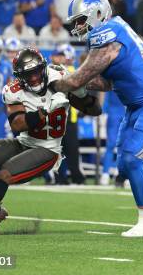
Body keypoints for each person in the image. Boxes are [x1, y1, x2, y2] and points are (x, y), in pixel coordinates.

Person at [51, 0, 143, 237]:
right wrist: (69, 77)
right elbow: (104, 83)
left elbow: (79, 81)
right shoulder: (110, 32)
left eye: (81, 20)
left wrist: (58, 81)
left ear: (97, 14)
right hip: (137, 104)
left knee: (131, 159)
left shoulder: (107, 33)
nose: (78, 27)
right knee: (125, 166)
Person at [0, 48, 101, 235]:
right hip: (25, 141)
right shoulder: (14, 89)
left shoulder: (60, 77)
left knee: (5, 173)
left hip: (48, 149)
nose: (34, 78)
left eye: (36, 72)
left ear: (43, 68)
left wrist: (83, 95)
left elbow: (95, 111)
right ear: (20, 76)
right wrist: (45, 111)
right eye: (28, 74)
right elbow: (18, 125)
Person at [50, 44, 86, 185]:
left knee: (68, 150)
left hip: (68, 116)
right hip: (60, 116)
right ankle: (65, 177)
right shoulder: (58, 71)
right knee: (63, 150)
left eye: (60, 55)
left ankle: (72, 177)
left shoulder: (69, 71)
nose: (56, 58)